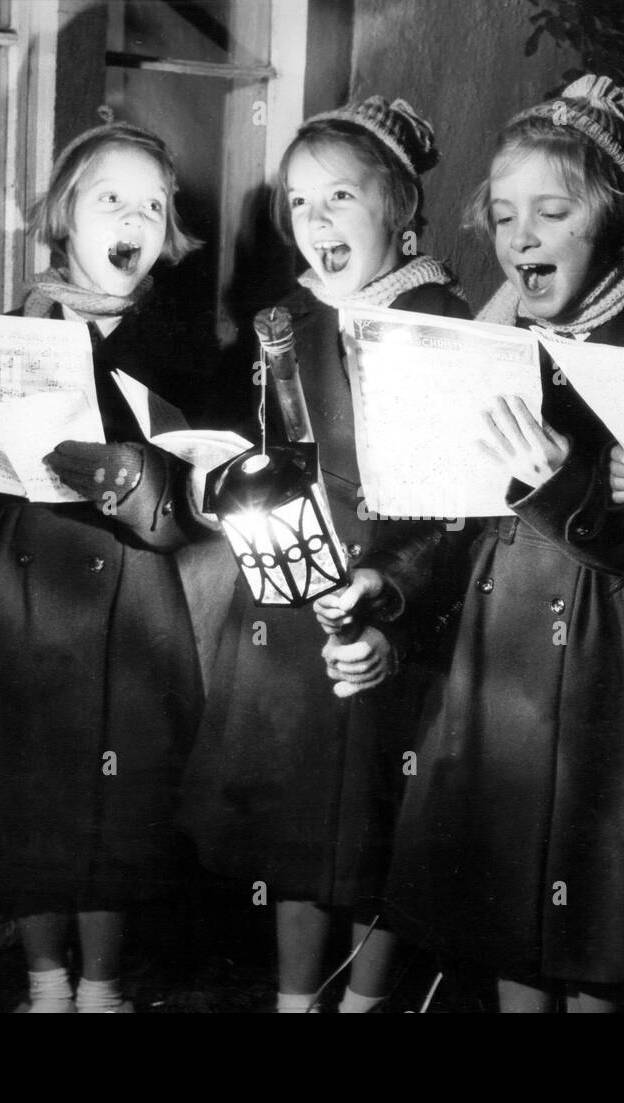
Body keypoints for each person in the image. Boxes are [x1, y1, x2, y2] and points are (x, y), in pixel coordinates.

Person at [327, 77, 624, 1012]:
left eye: (551, 212)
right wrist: (389, 586)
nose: (521, 237)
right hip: (499, 672)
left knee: (598, 926)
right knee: (504, 914)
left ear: (611, 219)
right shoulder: (496, 350)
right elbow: (454, 522)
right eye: (503, 216)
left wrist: (568, 485)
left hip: (618, 677)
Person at [0, 122, 217, 1013]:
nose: (136, 216)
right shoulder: (5, 332)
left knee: (121, 801)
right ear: (65, 216)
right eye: (112, 196)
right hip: (21, 599)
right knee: (27, 787)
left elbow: (198, 499)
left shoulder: (183, 345)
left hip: (133, 603)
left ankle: (102, 987)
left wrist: (139, 477)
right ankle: (44, 981)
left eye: (154, 204)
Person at [180, 97, 470, 1013]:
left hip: (389, 607)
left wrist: (395, 601)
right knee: (297, 817)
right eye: (299, 204)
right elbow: (255, 447)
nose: (317, 221)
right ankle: (296, 995)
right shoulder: (285, 324)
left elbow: (463, 508)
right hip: (287, 603)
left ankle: (365, 1000)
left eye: (341, 196)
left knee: (379, 816)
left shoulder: (440, 322)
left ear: (398, 209)